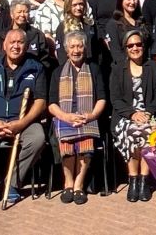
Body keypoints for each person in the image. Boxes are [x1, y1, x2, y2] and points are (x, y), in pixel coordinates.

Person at [0, 29, 48, 206]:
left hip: (24, 121)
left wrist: (22, 123)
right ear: (4, 45)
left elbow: (41, 101)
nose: (16, 46)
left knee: (38, 139)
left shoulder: (36, 68)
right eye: (12, 42)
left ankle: (12, 183)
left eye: (20, 42)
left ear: (26, 46)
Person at [47, 31, 106, 205]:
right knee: (66, 140)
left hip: (88, 116)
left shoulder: (94, 69)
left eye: (79, 46)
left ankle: (79, 184)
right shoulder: (58, 72)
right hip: (64, 116)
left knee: (85, 141)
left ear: (85, 48)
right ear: (66, 50)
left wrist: (91, 115)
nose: (76, 50)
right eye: (72, 46)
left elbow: (102, 98)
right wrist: (65, 117)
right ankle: (68, 182)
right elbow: (51, 103)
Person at [111, 30, 156, 202]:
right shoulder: (118, 69)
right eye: (131, 45)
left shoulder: (153, 67)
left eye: (138, 44)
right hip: (125, 116)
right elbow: (115, 98)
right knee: (132, 131)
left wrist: (148, 113)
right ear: (126, 48)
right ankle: (133, 178)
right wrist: (133, 114)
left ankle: (144, 179)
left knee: (149, 131)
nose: (135, 48)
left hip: (149, 114)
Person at [0, 0, 51, 69]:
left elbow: (45, 61)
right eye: (19, 12)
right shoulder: (0, 36)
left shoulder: (37, 36)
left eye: (26, 12)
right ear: (11, 14)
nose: (22, 15)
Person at [105, 0, 146, 67]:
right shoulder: (113, 24)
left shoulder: (141, 21)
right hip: (123, 69)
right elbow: (116, 53)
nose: (132, 2)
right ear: (121, 0)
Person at [54, 0, 96, 65]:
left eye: (81, 4)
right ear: (68, 6)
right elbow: (61, 54)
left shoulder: (90, 24)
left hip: (92, 66)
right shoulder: (63, 27)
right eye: (74, 5)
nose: (78, 8)